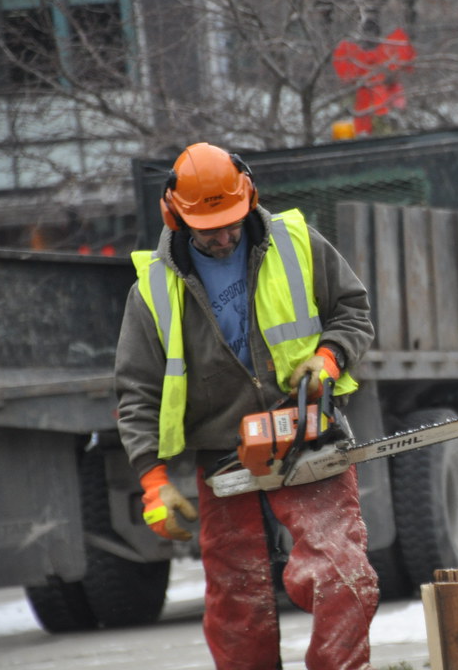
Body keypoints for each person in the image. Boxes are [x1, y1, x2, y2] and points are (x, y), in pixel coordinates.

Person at [115, 142, 379, 669]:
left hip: (307, 430)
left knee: (341, 578)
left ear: (250, 197)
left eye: (231, 221)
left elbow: (353, 312)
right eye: (209, 227)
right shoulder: (153, 290)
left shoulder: (296, 242)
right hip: (222, 452)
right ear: (176, 215)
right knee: (239, 604)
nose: (224, 235)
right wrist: (152, 480)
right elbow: (136, 390)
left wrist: (329, 360)